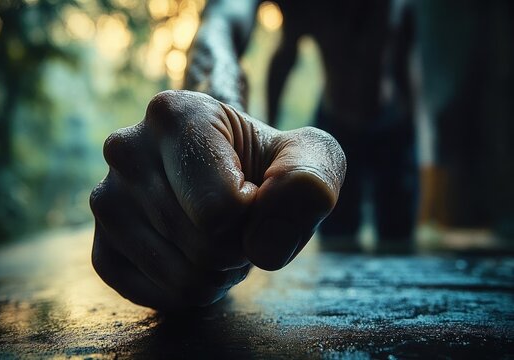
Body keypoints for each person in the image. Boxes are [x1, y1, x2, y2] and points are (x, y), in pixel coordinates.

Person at [89, 0, 417, 309]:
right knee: (338, 239)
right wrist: (223, 123)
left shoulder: (404, 11)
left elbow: (404, 67)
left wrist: (411, 132)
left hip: (397, 129)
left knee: (400, 239)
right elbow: (224, 30)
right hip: (339, 122)